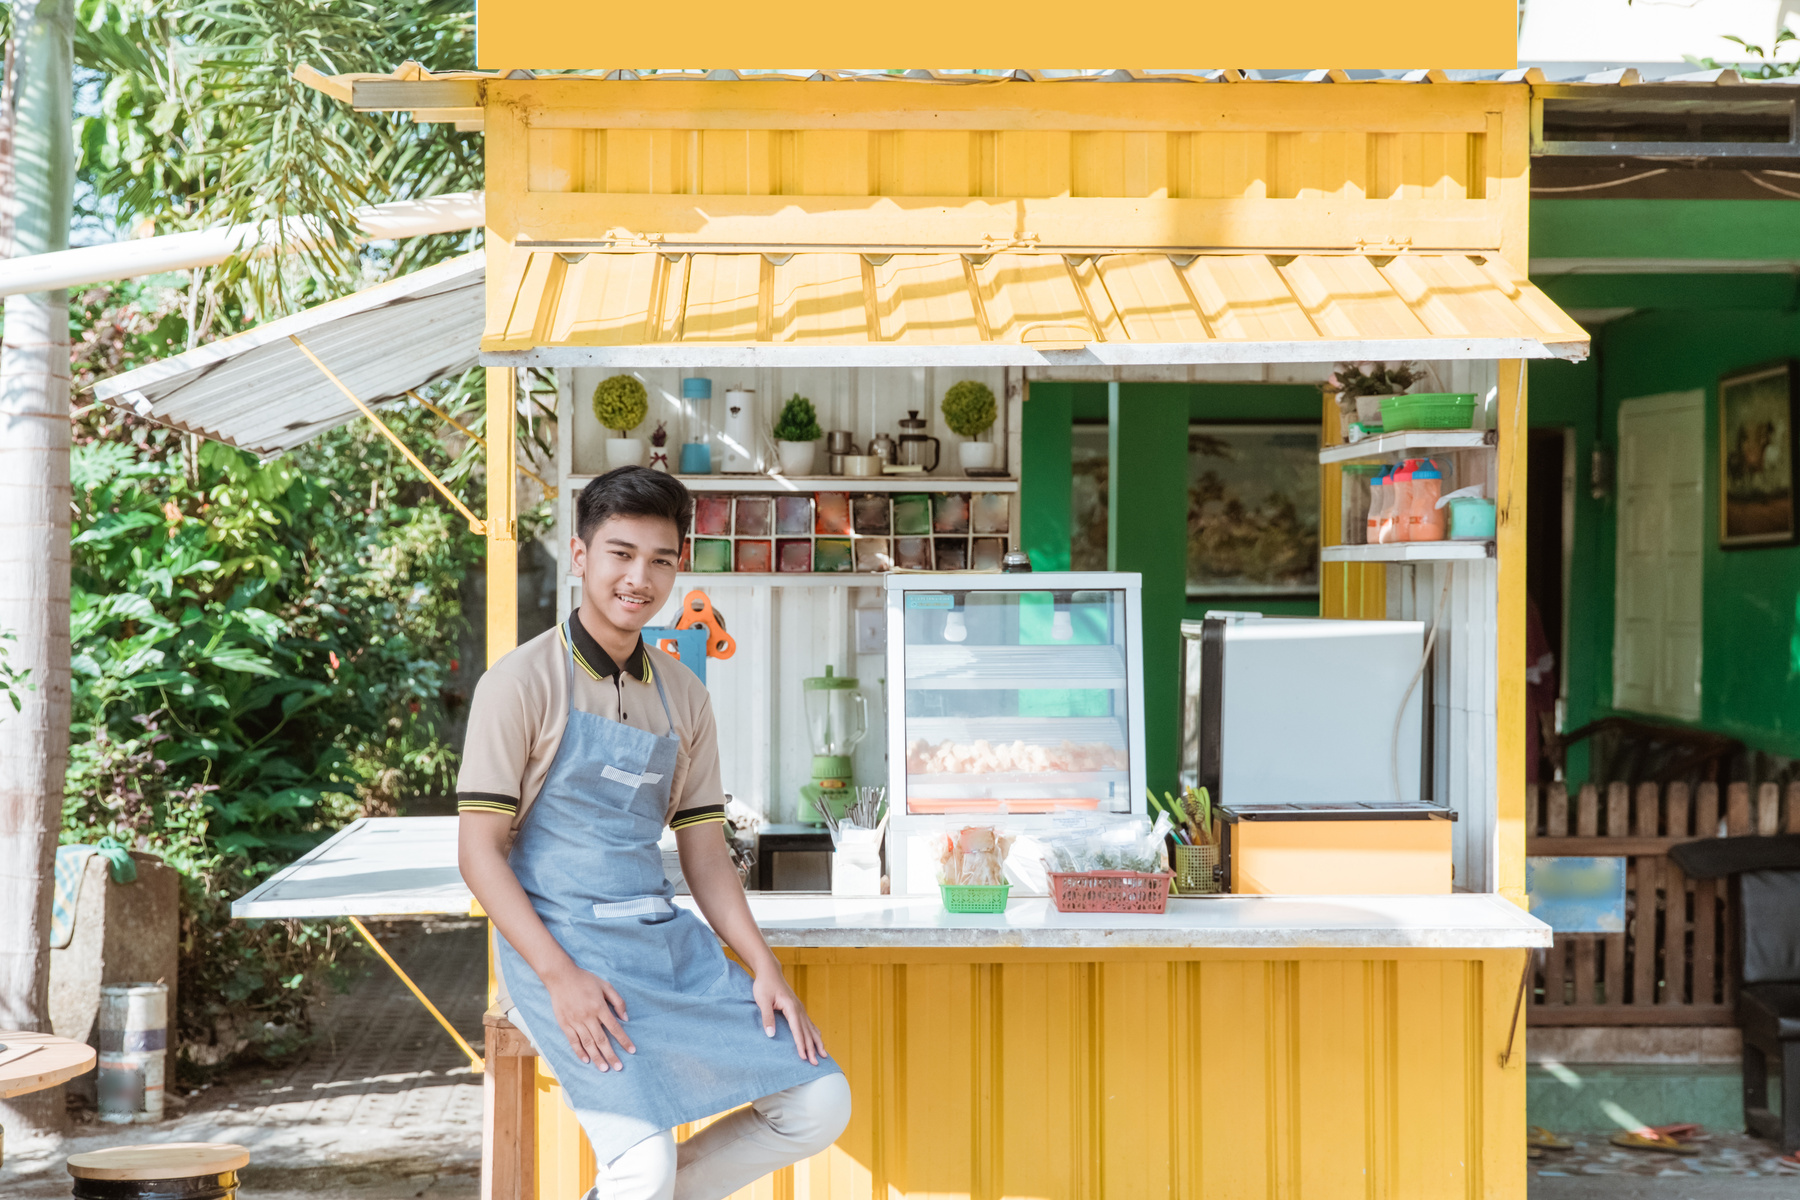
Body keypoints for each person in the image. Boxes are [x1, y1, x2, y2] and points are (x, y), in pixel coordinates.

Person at [457, 466, 848, 1200]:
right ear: (580, 556)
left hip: (663, 946)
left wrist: (765, 967)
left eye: (661, 560)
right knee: (643, 1167)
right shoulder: (518, 683)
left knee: (819, 1103)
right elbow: (479, 854)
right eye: (620, 553)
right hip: (564, 950)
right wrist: (559, 976)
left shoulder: (684, 693)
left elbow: (704, 856)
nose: (639, 577)